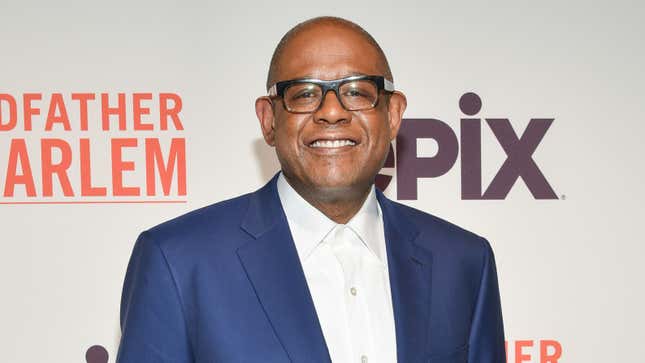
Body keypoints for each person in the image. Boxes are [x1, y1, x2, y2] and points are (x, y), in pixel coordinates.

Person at [116, 16, 505, 363]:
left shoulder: (463, 262)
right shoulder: (179, 262)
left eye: (356, 91)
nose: (332, 111)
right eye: (304, 93)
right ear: (269, 121)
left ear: (392, 115)